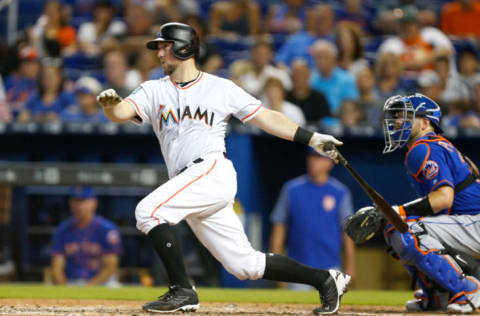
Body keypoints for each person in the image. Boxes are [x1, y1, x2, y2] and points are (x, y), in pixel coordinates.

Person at [97, 22, 350, 314]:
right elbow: (121, 113)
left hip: (210, 170)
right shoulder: (153, 89)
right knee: (245, 265)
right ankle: (326, 279)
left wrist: (313, 138)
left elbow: (266, 117)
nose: (159, 53)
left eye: (164, 46)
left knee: (149, 211)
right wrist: (110, 106)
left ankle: (182, 290)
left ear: (183, 47)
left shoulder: (220, 88)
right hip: (191, 182)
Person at [351, 93, 480, 313]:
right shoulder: (438, 145)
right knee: (398, 227)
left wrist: (398, 211)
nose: (398, 121)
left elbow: (444, 198)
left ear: (425, 122)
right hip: (469, 223)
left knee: (407, 230)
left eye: (406, 116)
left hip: (474, 223)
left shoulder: (422, 147)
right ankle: (437, 295)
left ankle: (468, 289)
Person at [270, 149, 356, 291]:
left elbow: (347, 231)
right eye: (312, 156)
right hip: (297, 268)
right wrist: (275, 262)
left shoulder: (340, 192)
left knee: (331, 308)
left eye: (319, 158)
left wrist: (350, 265)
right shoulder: (291, 189)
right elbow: (279, 225)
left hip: (330, 266)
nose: (313, 161)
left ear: (330, 163)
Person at [51, 186, 122, 286]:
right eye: (76, 201)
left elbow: (110, 266)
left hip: (101, 283)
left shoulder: (108, 229)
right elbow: (57, 267)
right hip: (71, 283)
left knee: (114, 286)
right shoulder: (62, 229)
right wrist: (63, 288)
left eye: (84, 201)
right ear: (70, 203)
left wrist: (89, 287)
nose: (79, 205)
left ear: (94, 203)